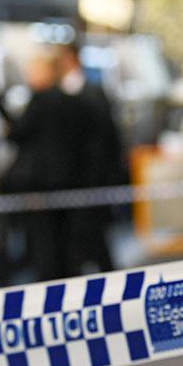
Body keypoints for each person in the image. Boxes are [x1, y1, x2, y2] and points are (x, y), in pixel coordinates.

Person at [3, 49, 90, 281]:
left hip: (40, 185)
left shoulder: (40, 101)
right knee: (65, 241)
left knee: (44, 243)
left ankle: (49, 287)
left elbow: (18, 134)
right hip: (68, 182)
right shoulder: (73, 101)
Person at [58, 41, 126, 272]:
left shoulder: (92, 92)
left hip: (91, 179)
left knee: (94, 236)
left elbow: (106, 138)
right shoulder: (60, 91)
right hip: (69, 180)